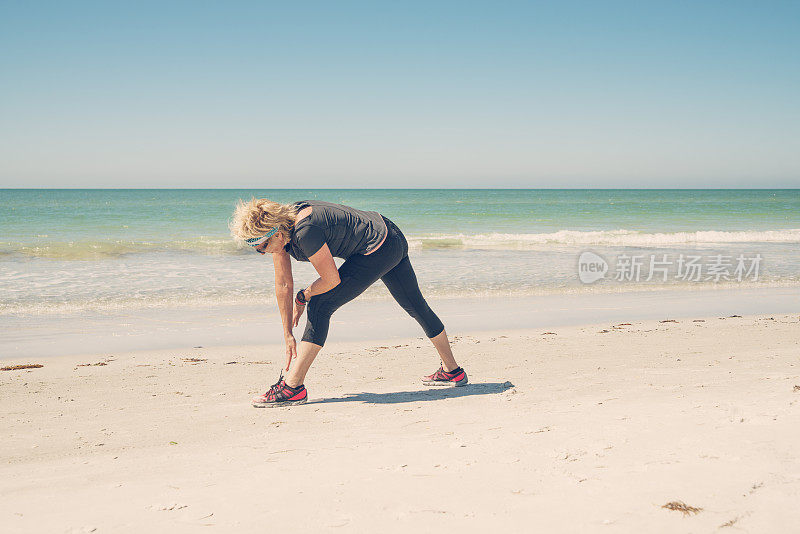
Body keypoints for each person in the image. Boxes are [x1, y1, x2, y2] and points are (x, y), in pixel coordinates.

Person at [229, 198, 468, 407]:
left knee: (320, 304)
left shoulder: (305, 232)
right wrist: (287, 333)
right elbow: (283, 285)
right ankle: (453, 372)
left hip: (379, 248)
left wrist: (305, 295)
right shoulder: (284, 227)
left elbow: (331, 279)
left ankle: (292, 387)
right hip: (390, 234)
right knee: (416, 307)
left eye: (261, 248)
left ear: (277, 234)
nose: (262, 253)